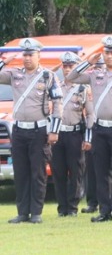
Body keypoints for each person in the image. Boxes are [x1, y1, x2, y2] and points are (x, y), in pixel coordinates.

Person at [68, 35, 112, 222]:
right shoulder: (94, 74)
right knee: (101, 171)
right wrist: (87, 62)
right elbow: (71, 77)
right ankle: (104, 210)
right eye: (106, 52)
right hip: (99, 129)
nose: (108, 56)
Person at [0, 39, 63, 224]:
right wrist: (4, 61)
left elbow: (58, 103)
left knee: (38, 173)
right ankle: (22, 212)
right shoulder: (14, 74)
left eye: (31, 54)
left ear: (38, 55)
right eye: (25, 54)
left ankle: (36, 212)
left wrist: (55, 130)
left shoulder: (48, 76)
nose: (27, 58)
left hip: (39, 130)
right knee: (21, 173)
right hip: (19, 130)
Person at [52, 52, 93, 217]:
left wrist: (88, 137)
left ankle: (72, 206)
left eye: (71, 66)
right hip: (58, 134)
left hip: (75, 134)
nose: (67, 69)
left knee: (76, 171)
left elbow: (90, 114)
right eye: (65, 66)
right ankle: (62, 207)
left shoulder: (83, 88)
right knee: (58, 171)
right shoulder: (56, 86)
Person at [81, 57, 105, 215]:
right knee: (91, 170)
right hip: (91, 131)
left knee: (106, 169)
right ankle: (92, 202)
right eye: (95, 67)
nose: (98, 70)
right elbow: (88, 116)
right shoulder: (87, 87)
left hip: (108, 129)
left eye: (100, 67)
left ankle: (107, 202)